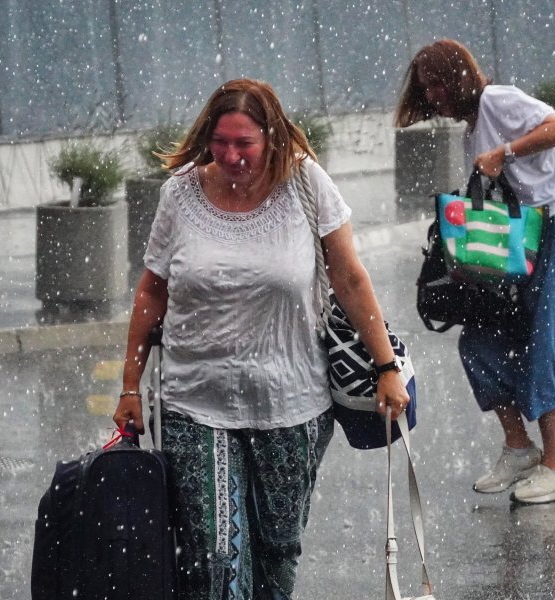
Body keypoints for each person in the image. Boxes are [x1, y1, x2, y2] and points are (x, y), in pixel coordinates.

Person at [113, 78, 411, 599]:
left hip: (291, 405)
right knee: (216, 557)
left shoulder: (305, 184)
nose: (231, 156)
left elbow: (349, 278)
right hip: (195, 403)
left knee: (277, 555)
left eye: (243, 143)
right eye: (220, 142)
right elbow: (152, 291)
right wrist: (130, 386)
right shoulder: (180, 193)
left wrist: (386, 368)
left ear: (271, 137)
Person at [394, 40, 555, 505]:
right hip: (525, 238)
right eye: (426, 88)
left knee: (542, 337)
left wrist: (506, 152)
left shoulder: (498, 100)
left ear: (458, 77)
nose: (432, 96)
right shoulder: (471, 131)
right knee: (481, 340)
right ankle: (519, 447)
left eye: (438, 84)